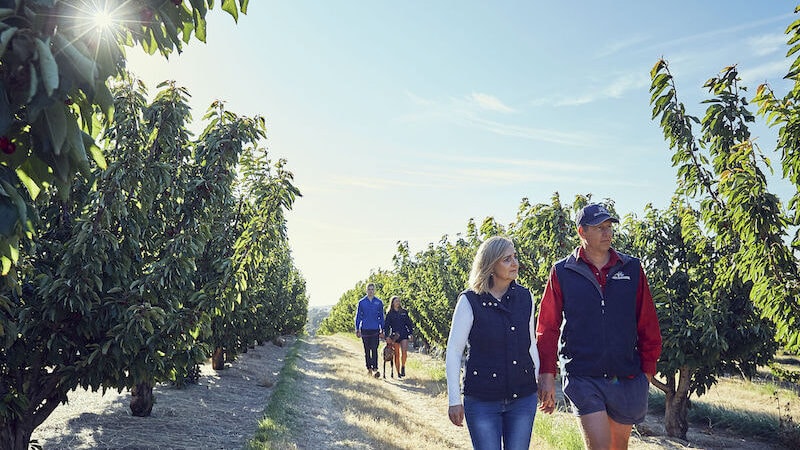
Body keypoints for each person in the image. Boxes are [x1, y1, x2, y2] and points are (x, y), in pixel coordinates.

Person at [536, 203, 662, 450]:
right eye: (599, 228)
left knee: (618, 447)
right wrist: (547, 375)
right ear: (582, 232)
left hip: (625, 376)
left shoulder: (631, 268)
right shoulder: (562, 271)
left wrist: (647, 371)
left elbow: (647, 321)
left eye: (609, 227)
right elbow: (548, 326)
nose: (607, 233)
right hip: (583, 375)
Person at [445, 236, 541, 450]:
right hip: (482, 400)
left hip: (522, 399)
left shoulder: (526, 298)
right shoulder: (469, 301)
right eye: (506, 259)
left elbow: (530, 343)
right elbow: (454, 351)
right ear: (490, 264)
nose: (515, 263)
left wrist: (535, 381)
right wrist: (454, 399)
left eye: (515, 257)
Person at [354, 283, 385, 377]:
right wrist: (357, 328)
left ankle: (375, 368)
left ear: (374, 290)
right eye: (369, 289)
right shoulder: (362, 302)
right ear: (366, 290)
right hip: (365, 329)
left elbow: (381, 316)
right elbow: (358, 316)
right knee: (367, 350)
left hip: (375, 329)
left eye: (372, 289)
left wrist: (382, 329)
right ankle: (369, 368)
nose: (371, 291)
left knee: (374, 349)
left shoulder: (379, 302)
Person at [384, 296, 415, 378]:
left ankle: (403, 366)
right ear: (392, 303)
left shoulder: (404, 312)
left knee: (404, 352)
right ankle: (398, 372)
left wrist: (410, 333)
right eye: (396, 301)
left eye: (399, 301)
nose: (398, 302)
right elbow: (386, 326)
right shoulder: (390, 313)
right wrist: (387, 336)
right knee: (396, 354)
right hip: (395, 336)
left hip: (404, 334)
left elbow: (409, 324)